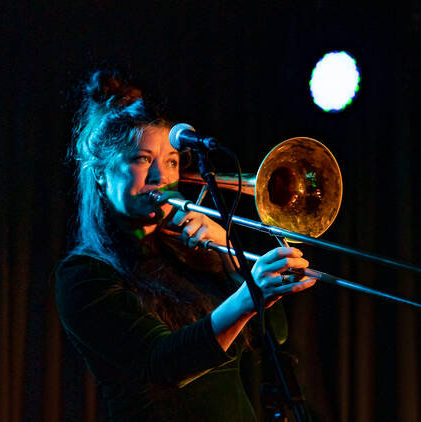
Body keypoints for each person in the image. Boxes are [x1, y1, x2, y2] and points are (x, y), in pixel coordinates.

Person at [54, 70, 316, 421]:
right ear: (101, 173)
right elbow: (161, 362)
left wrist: (229, 253)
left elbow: (274, 336)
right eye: (142, 159)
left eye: (171, 162)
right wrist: (247, 297)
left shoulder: (191, 254)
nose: (161, 178)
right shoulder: (84, 276)